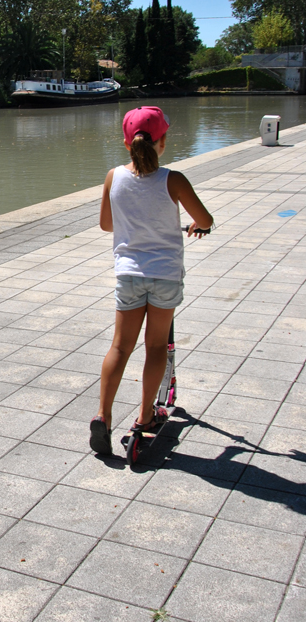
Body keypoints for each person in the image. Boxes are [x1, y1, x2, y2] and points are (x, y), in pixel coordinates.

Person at [90, 106, 213, 457]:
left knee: (119, 347)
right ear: (163, 141)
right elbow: (205, 219)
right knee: (156, 346)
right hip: (164, 274)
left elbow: (107, 225)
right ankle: (145, 417)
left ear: (126, 142)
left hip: (129, 273)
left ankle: (103, 416)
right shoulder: (173, 179)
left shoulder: (113, 177)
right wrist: (195, 225)